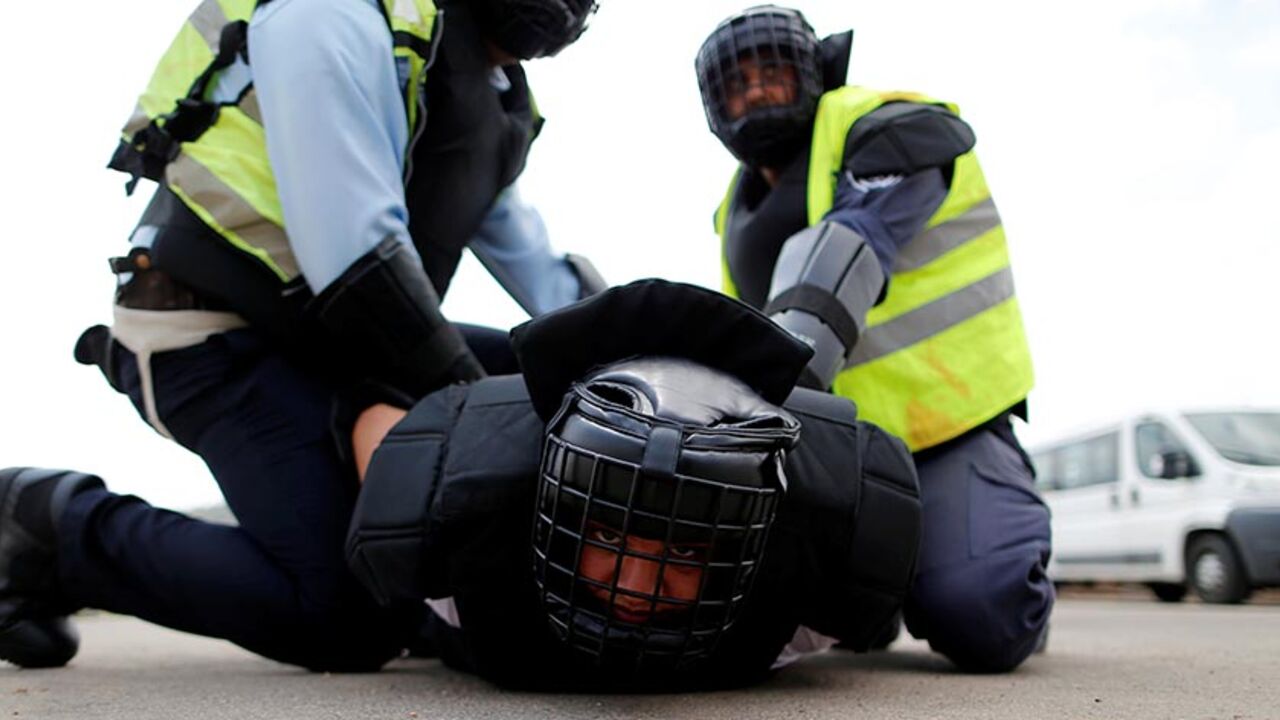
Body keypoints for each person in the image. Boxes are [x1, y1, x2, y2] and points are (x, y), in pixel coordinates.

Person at [2, 0, 600, 672]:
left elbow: (547, 284)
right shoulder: (331, 13)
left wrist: (647, 374)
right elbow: (353, 260)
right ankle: (46, 526)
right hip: (210, 334)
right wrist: (480, 430)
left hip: (331, 339)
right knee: (343, 614)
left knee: (564, 382)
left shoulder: (487, 94)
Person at [1, 280, 923, 690]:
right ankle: (46, 520)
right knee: (342, 613)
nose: (637, 590)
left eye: (681, 554)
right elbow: (380, 418)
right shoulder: (463, 502)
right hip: (397, 386)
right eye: (616, 541)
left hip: (579, 380)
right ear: (555, 514)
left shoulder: (811, 586)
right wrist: (378, 429)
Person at [694, 5, 1053, 672]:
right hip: (837, 456)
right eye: (735, 85)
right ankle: (878, 596)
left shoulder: (882, 126)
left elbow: (849, 246)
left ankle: (990, 543)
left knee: (984, 615)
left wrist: (786, 380)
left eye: (769, 73)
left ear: (809, 71)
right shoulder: (732, 216)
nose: (755, 94)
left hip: (947, 429)